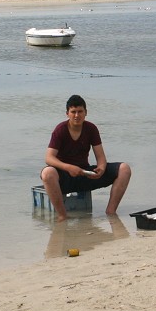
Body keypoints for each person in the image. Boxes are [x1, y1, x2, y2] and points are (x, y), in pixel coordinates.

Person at [40, 94, 131, 222]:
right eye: (73, 112)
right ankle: (62, 215)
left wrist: (101, 169)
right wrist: (68, 167)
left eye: (80, 112)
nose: (77, 115)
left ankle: (111, 211)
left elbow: (101, 157)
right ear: (67, 113)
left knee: (124, 169)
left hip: (84, 174)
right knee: (47, 173)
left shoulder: (91, 128)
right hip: (64, 177)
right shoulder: (60, 130)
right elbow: (49, 158)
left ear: (86, 112)